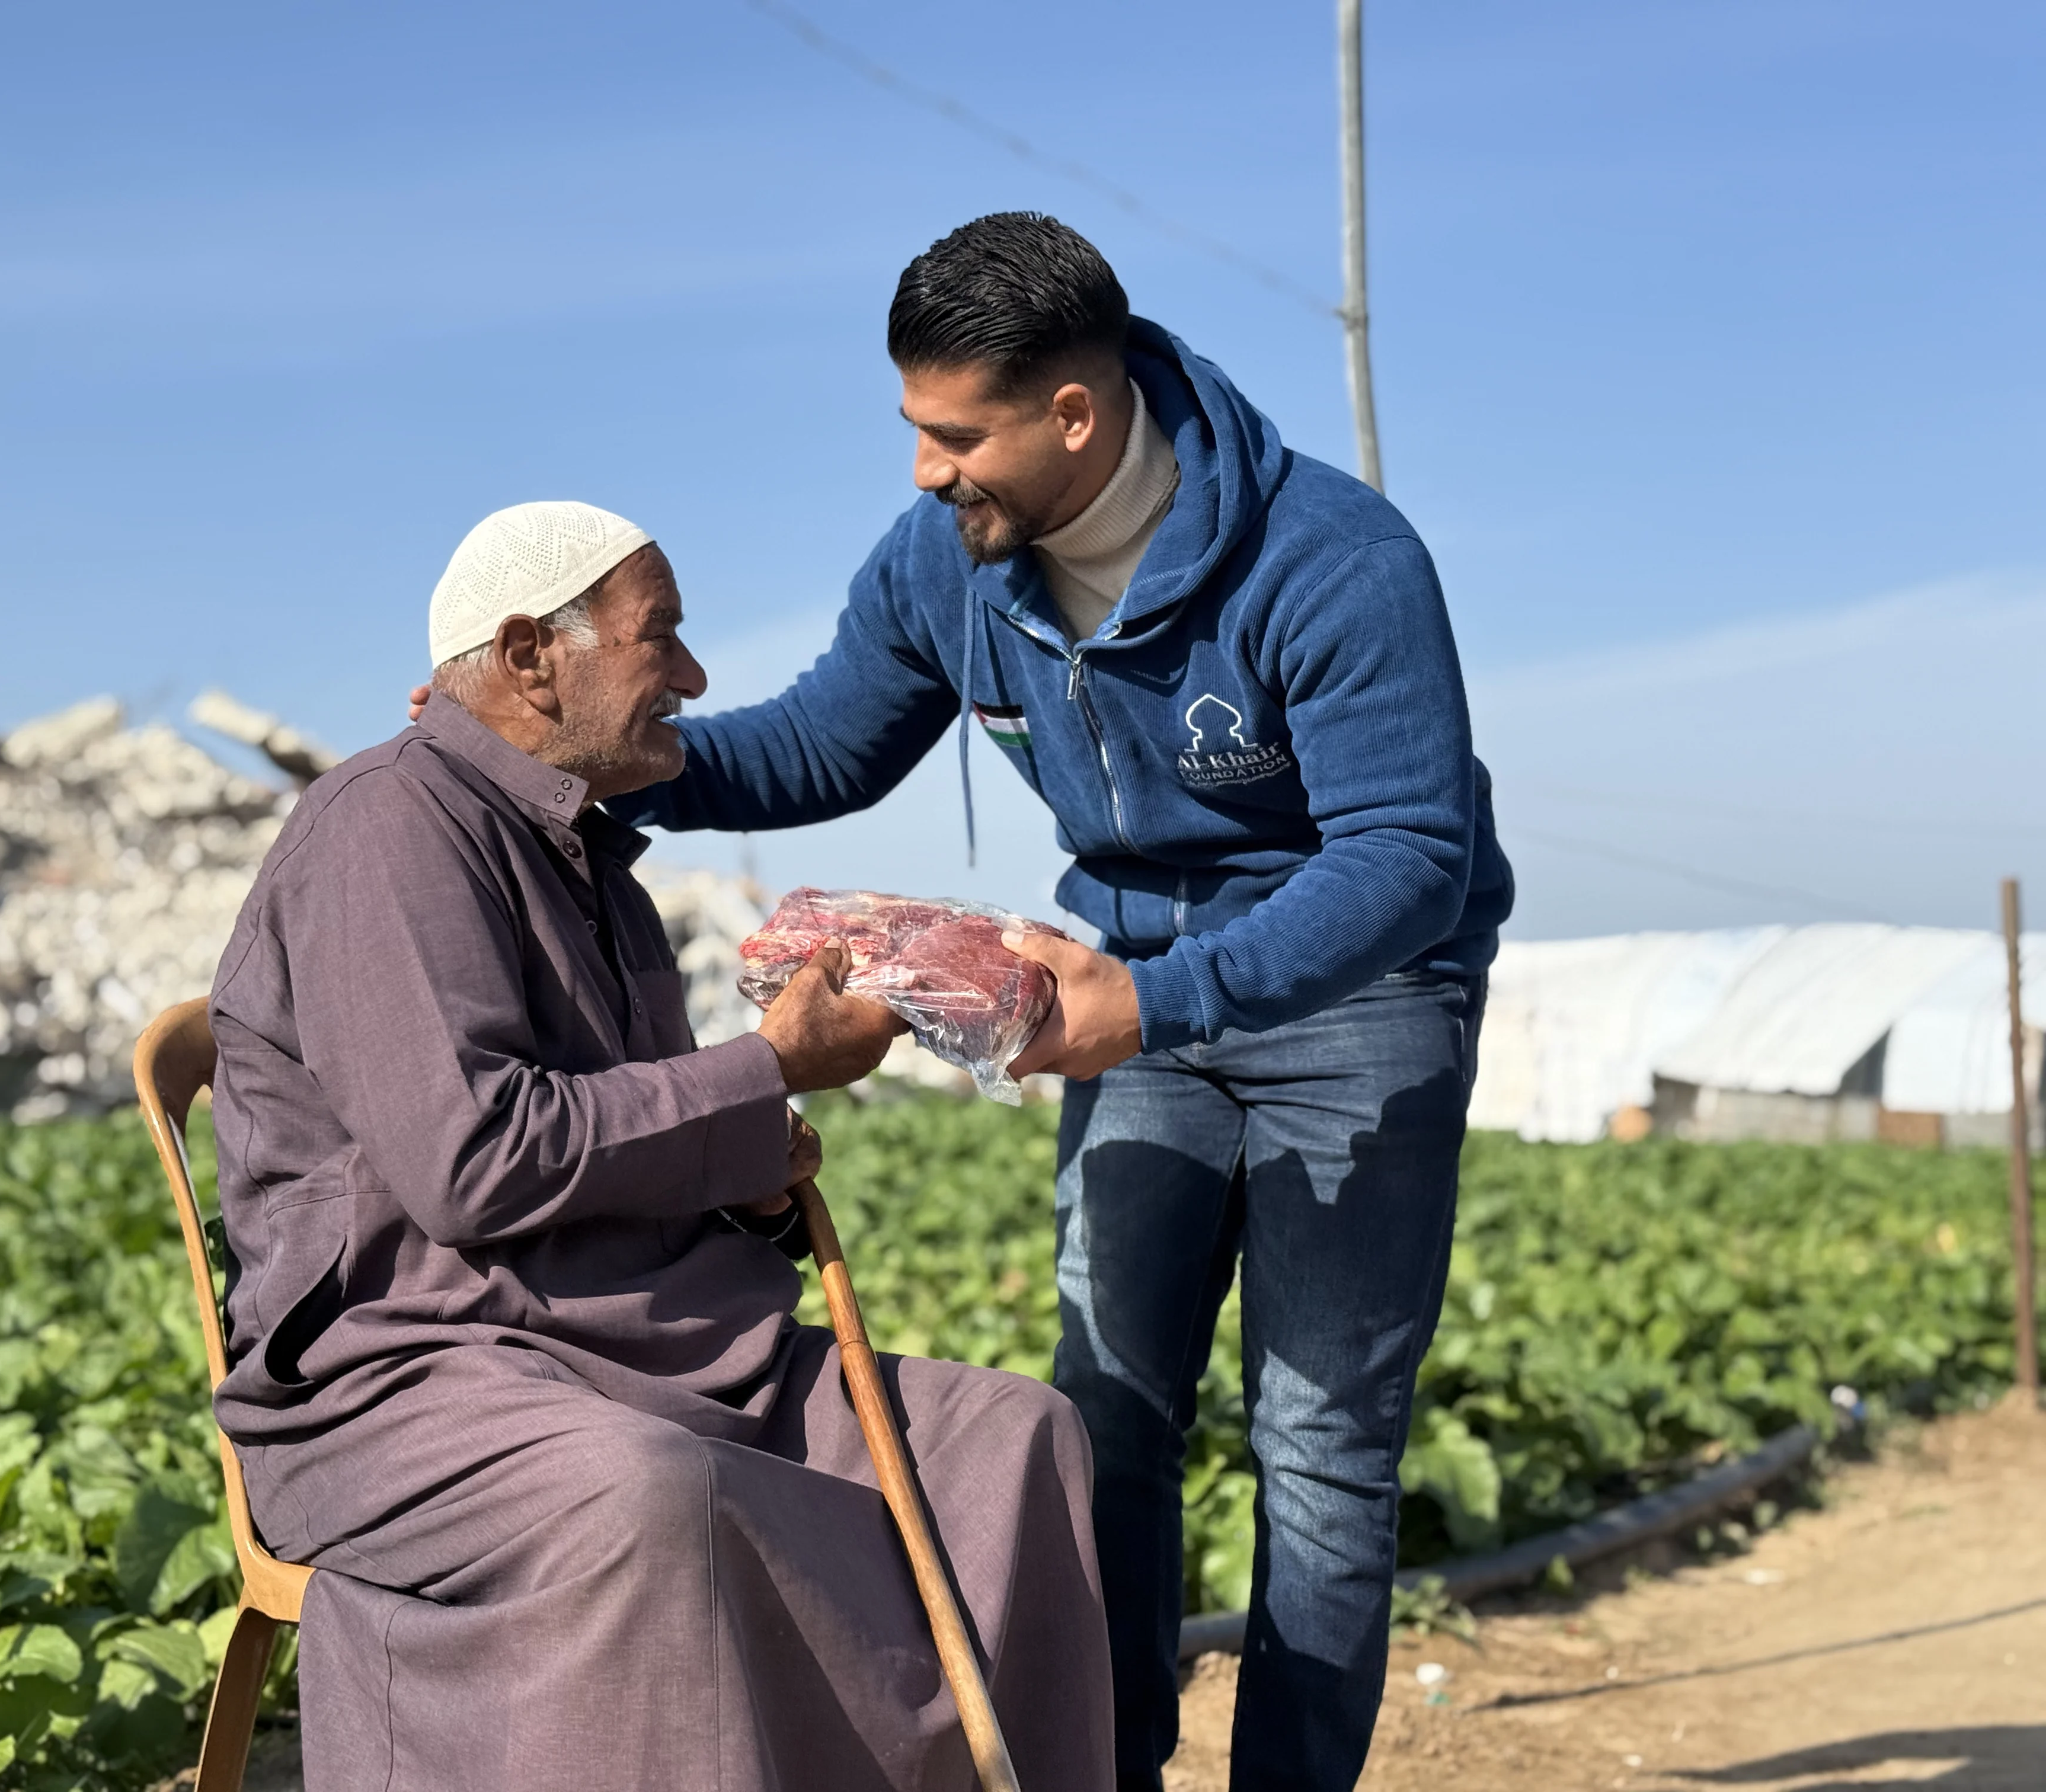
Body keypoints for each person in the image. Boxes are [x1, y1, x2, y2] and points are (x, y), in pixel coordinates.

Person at [565, 216, 1513, 1792]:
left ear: (1073, 413)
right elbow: (821, 744)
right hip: (1130, 1001)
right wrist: (612, 757)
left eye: (956, 435)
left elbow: (1410, 855)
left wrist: (1163, 1000)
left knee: (1321, 1449)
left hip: (1358, 1002)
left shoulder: (1332, 561)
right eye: (914, 428)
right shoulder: (950, 559)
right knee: (1110, 1418)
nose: (926, 470)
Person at [209, 499, 1115, 1792]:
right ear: (530, 656)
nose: (692, 677)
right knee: (646, 1491)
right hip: (418, 1373)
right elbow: (476, 1161)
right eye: (663, 637)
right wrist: (766, 1069)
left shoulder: (597, 867)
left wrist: (754, 1175)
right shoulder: (385, 827)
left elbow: (628, 1138)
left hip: (648, 1344)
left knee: (1013, 1435)